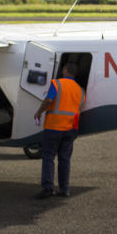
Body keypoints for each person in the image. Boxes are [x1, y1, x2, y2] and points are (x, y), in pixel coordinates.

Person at [33, 62, 85, 198]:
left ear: (65, 70)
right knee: (65, 159)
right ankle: (64, 189)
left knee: (48, 157)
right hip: (70, 129)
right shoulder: (80, 90)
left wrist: (39, 112)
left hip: (54, 127)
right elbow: (79, 107)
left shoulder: (57, 84)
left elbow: (49, 100)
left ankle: (48, 188)